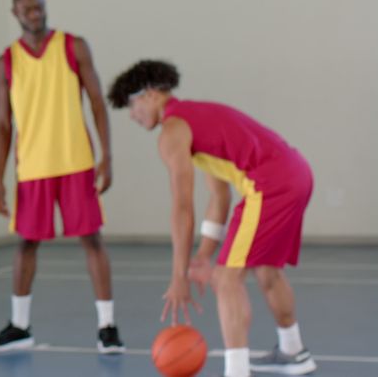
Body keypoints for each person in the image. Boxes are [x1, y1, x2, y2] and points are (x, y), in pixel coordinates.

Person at [107, 60, 317, 377]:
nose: (133, 116)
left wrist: (178, 276)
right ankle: (293, 351)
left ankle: (235, 372)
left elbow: (182, 208)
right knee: (266, 269)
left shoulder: (173, 131)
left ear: (149, 94)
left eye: (131, 106)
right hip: (296, 174)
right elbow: (219, 197)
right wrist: (203, 256)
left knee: (227, 279)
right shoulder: (196, 118)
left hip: (270, 185)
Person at [0, 0, 124, 354]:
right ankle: (19, 325)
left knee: (92, 239)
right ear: (15, 12)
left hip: (76, 161)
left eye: (40, 7)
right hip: (32, 167)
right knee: (25, 244)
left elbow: (97, 101)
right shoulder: (6, 62)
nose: (36, 14)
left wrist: (106, 155)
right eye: (28, 9)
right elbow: (3, 125)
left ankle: (108, 327)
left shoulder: (73, 46)